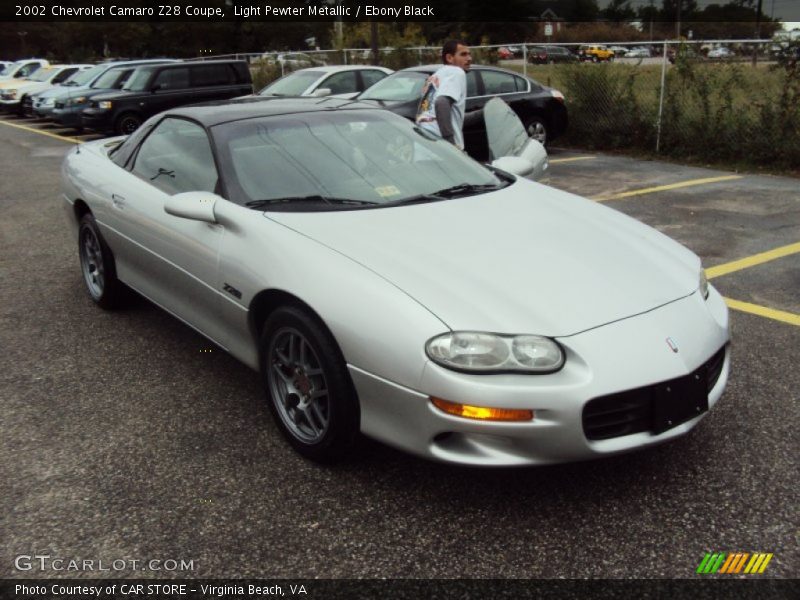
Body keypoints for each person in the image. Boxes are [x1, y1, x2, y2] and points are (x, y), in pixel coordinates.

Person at [416, 40, 472, 150]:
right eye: (463, 54)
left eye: (469, 54)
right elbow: (441, 103)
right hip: (441, 147)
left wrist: (482, 113)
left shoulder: (436, 76)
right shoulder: (457, 72)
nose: (469, 58)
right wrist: (450, 144)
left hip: (424, 145)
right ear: (449, 58)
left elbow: (448, 114)